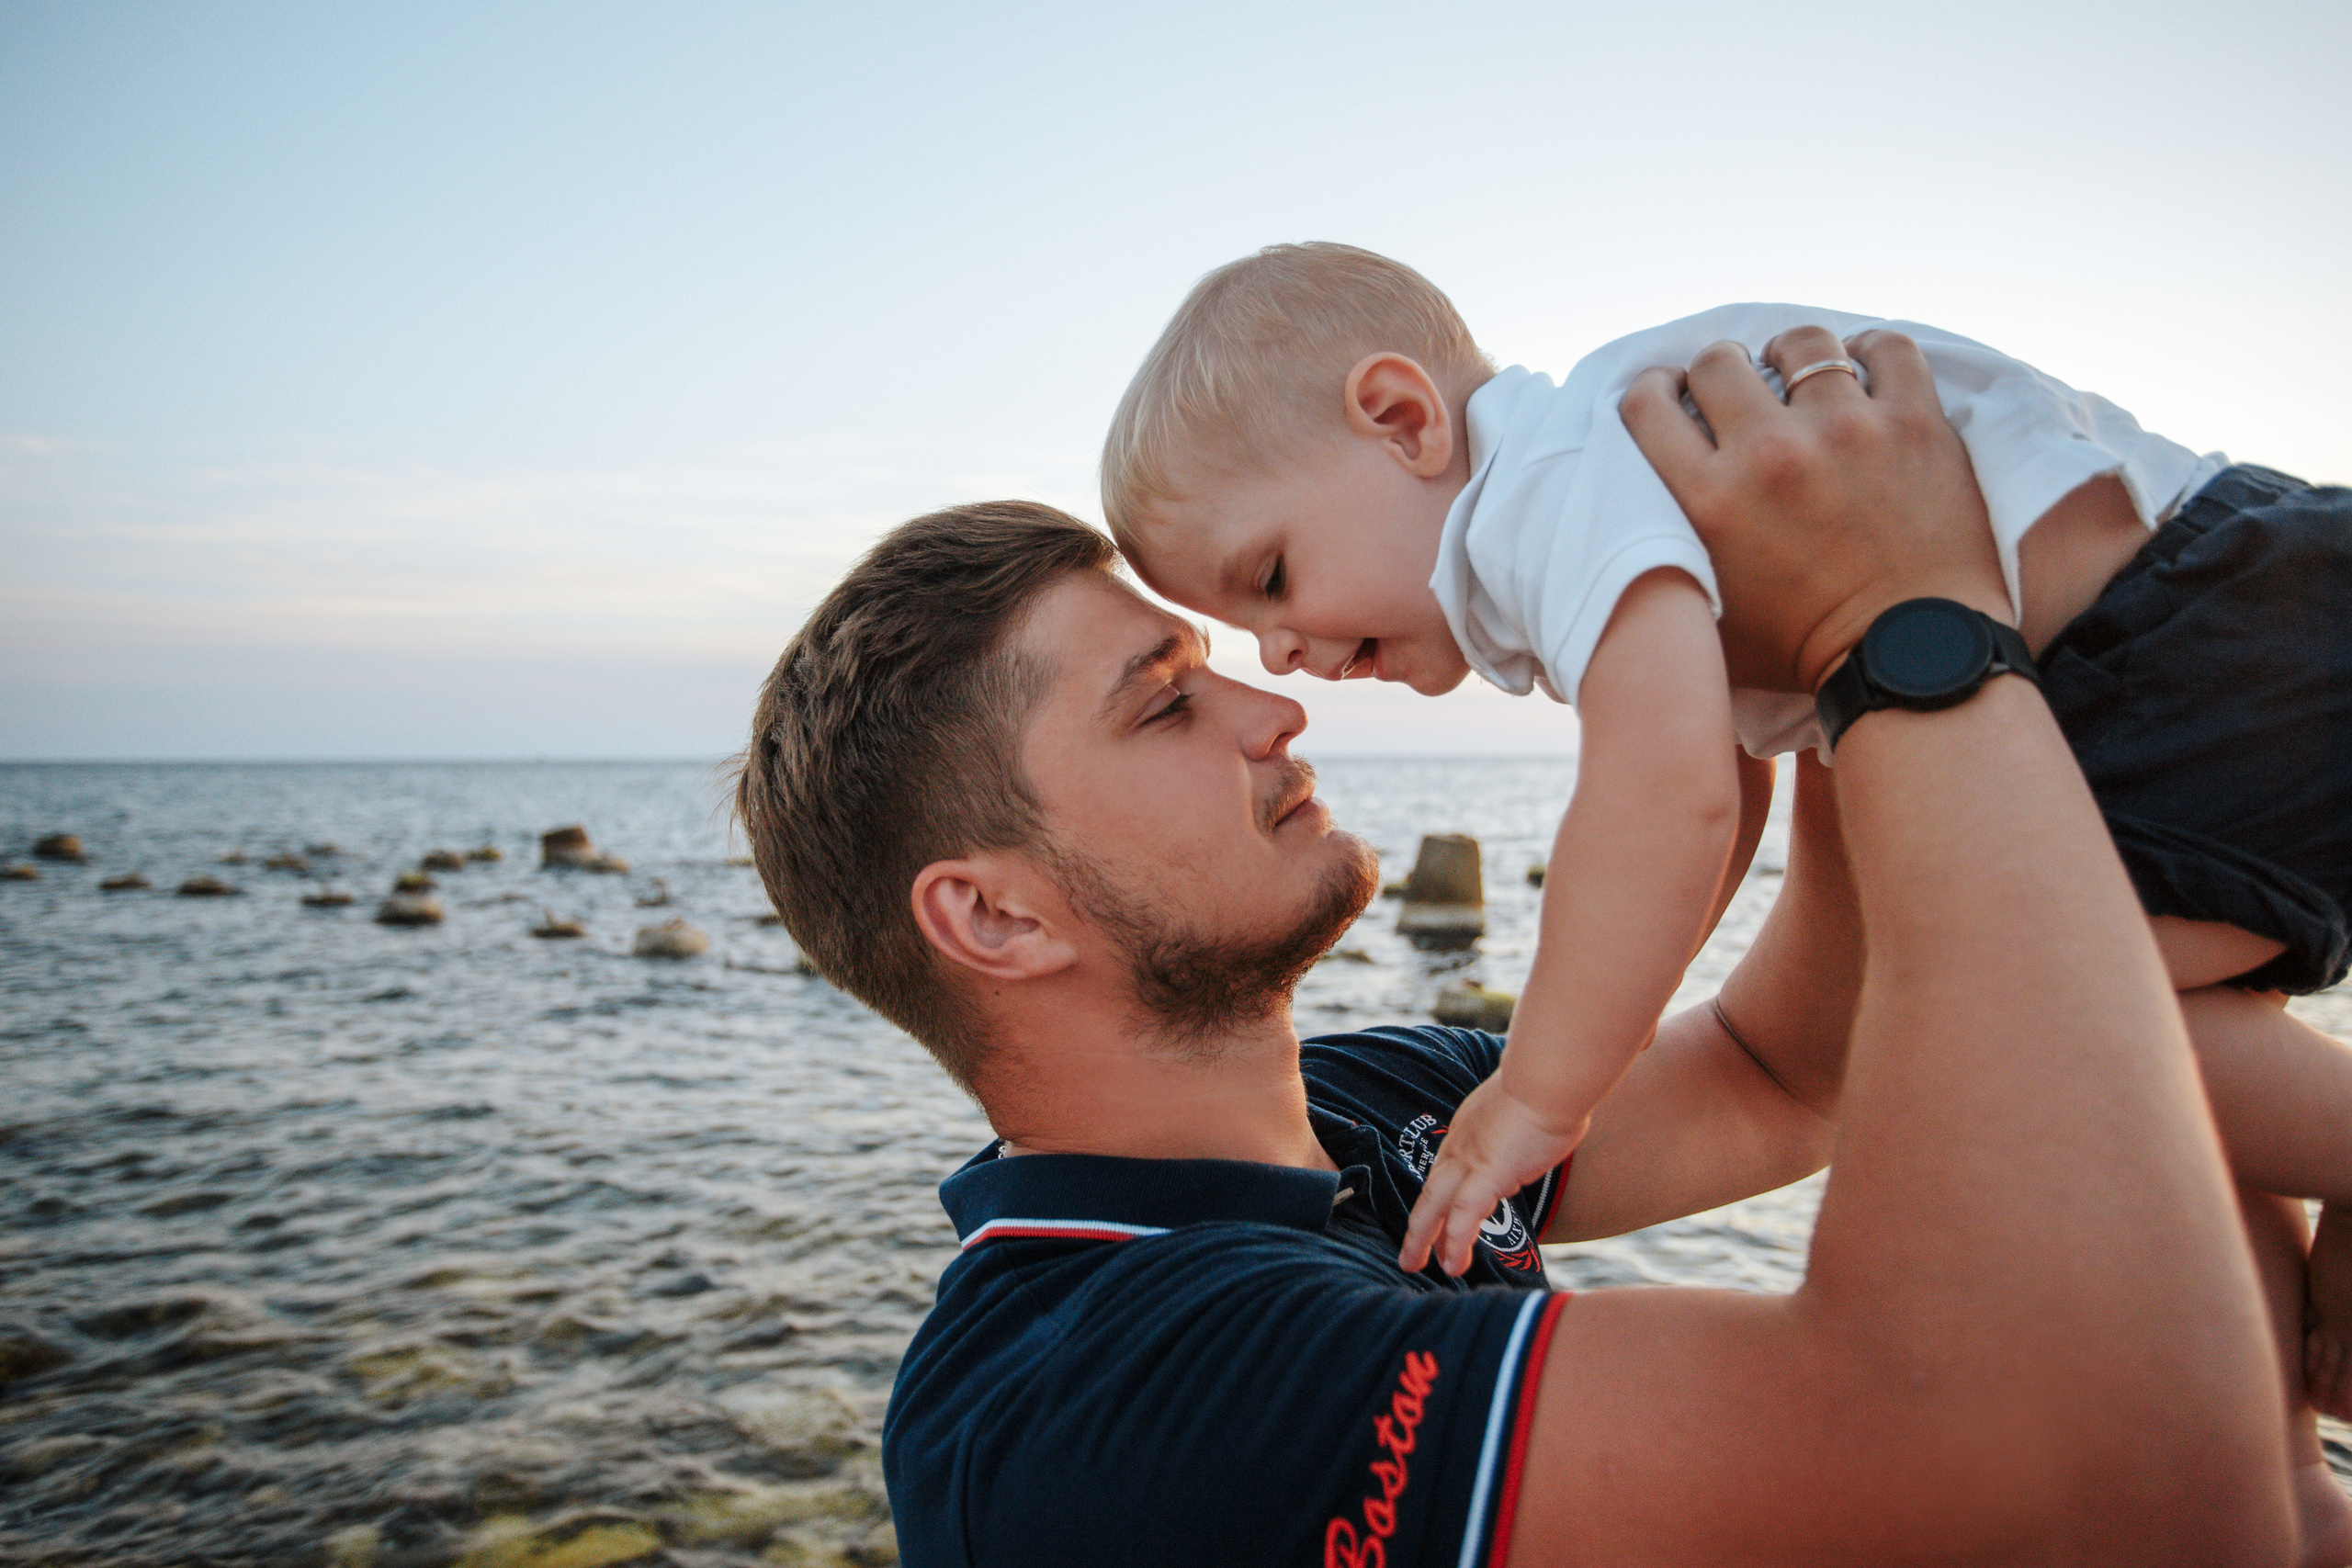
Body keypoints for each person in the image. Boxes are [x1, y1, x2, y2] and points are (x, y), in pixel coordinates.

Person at [736, 327, 2322, 1565]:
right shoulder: (1093, 1399)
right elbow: (2072, 1477)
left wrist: (1797, 666)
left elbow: (1788, 1072)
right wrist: (1905, 629)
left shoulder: (1361, 1109)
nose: (1278, 708)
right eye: (1165, 704)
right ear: (994, 916)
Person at [1094, 243, 2352, 1417]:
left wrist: (1541, 1092)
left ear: (1403, 420)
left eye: (1271, 578)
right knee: (2132, 1031)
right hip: (2210, 633)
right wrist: (1626, 1010)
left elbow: (1667, 791)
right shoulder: (1597, 483)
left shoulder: (1540, 495)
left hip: (2185, 645)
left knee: (2026, 1029)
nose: (1283, 653)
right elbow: (1729, 786)